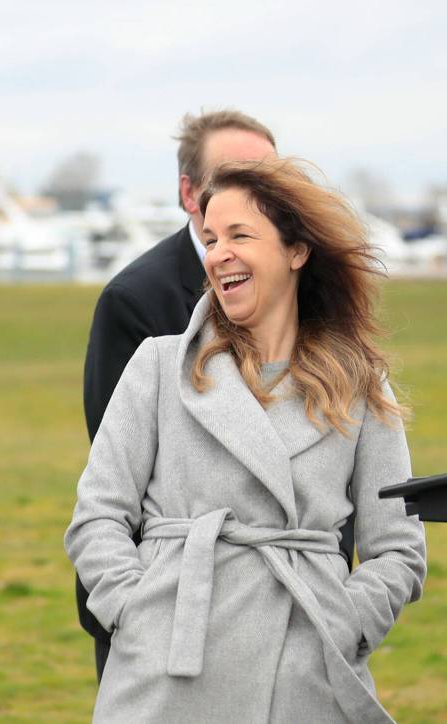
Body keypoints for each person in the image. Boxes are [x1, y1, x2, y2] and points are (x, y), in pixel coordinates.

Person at [66, 157, 426, 722]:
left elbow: (398, 548)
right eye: (210, 238)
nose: (217, 253)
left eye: (240, 235)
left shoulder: (359, 382)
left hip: (307, 667)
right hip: (167, 668)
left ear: (296, 251)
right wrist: (137, 615)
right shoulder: (159, 367)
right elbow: (97, 517)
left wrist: (345, 623)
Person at [79, 109, 278, 679]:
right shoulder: (135, 301)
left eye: (268, 180)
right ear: (190, 193)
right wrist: (138, 608)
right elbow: (118, 470)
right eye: (232, 179)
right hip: (166, 603)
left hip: (286, 606)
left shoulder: (311, 296)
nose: (252, 196)